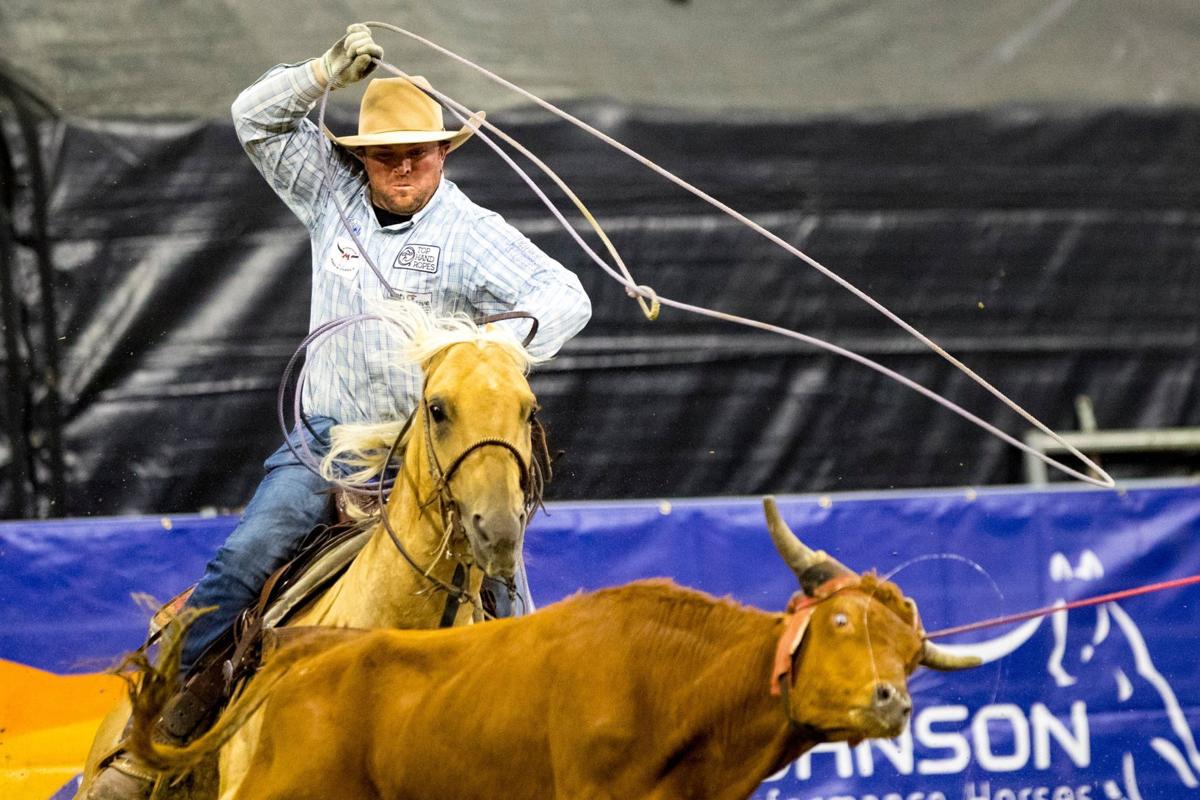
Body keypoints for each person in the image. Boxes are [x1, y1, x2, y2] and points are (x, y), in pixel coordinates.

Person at [86, 23, 591, 800]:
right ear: (360, 158)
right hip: (327, 441)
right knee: (246, 558)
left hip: (431, 455)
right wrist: (320, 74)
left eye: (417, 152)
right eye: (386, 154)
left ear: (444, 152)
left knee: (506, 590)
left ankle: (532, 753)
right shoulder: (331, 193)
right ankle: (156, 736)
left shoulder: (470, 232)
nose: (401, 166)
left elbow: (566, 296)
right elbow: (254, 118)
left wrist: (495, 340)